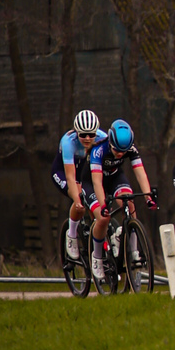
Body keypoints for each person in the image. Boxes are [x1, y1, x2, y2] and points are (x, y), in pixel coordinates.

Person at [85, 116, 154, 279]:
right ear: (110, 142)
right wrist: (103, 206)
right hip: (92, 181)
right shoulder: (98, 150)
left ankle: (133, 250)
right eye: (117, 150)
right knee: (103, 218)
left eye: (124, 151)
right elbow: (96, 181)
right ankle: (97, 256)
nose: (120, 154)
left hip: (115, 177)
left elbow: (141, 174)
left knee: (129, 203)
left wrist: (148, 197)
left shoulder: (130, 149)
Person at [55, 107, 102, 264]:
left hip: (85, 169)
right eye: (83, 135)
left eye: (91, 135)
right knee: (80, 198)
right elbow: (70, 176)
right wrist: (77, 199)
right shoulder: (68, 143)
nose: (88, 138)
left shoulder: (103, 138)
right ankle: (72, 234)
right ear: (76, 133)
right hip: (64, 171)